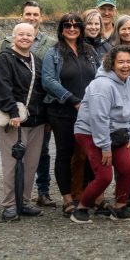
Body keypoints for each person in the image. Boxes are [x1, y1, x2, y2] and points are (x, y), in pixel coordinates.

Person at [70, 45, 130, 223]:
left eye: (129, 62)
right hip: (90, 132)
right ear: (111, 64)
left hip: (117, 133)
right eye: (121, 62)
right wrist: (105, 147)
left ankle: (119, 207)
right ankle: (81, 208)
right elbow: (98, 118)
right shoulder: (102, 85)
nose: (126, 66)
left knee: (129, 167)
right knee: (105, 176)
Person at [42, 13, 101, 217]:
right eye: (68, 25)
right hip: (62, 112)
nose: (72, 28)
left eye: (76, 25)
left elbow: (100, 75)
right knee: (64, 155)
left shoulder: (90, 51)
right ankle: (67, 199)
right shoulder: (54, 53)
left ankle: (94, 196)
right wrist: (73, 100)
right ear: (61, 28)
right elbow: (48, 81)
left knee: (93, 153)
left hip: (90, 111)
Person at [1, 0, 57, 208]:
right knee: (15, 157)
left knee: (38, 156)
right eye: (28, 14)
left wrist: (49, 114)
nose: (32, 18)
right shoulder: (7, 48)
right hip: (15, 112)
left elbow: (48, 81)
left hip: (39, 112)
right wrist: (11, 109)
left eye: (36, 15)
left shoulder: (47, 47)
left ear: (41, 18)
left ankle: (36, 195)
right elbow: (3, 81)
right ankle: (12, 202)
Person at [0, 22, 48, 221]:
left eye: (29, 35)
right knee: (13, 162)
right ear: (13, 37)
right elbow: (1, 86)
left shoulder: (37, 60)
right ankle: (9, 205)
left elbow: (42, 89)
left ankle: (24, 202)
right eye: (21, 34)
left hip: (36, 119)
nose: (25, 38)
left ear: (34, 38)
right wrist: (13, 111)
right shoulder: (5, 58)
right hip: (13, 119)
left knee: (31, 163)